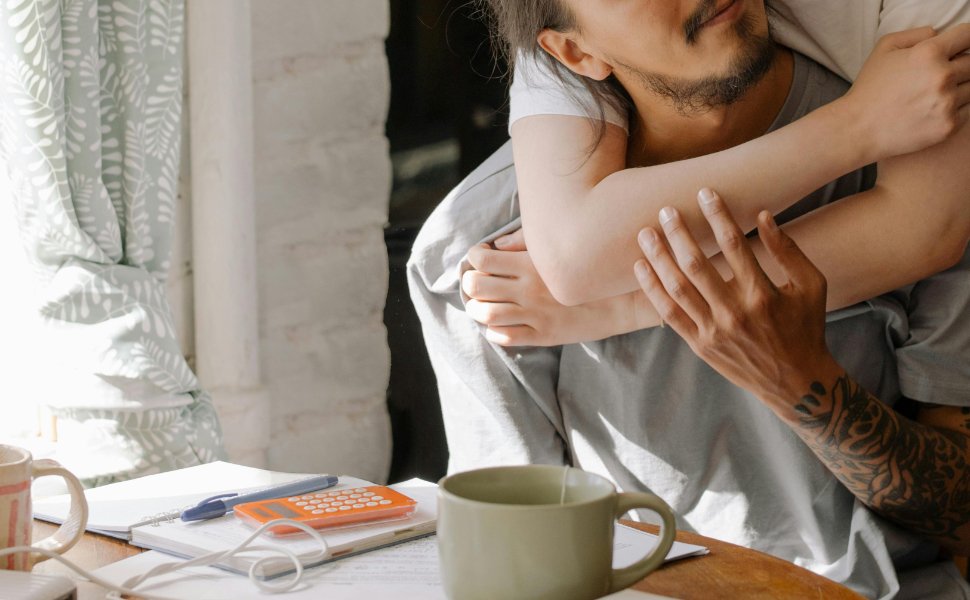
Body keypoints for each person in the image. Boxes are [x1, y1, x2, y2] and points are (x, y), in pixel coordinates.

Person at [407, 0, 970, 598]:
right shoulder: (488, 255)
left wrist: (800, 382)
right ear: (575, 53)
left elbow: (959, 512)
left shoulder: (923, 137)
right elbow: (517, 561)